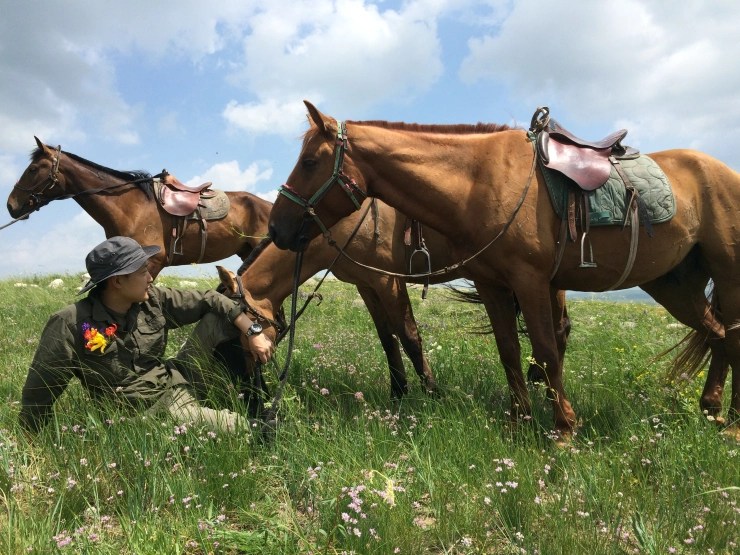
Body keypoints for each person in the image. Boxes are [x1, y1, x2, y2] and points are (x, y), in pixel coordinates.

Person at [18, 236, 274, 435]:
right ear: (118, 281)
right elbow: (40, 388)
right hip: (143, 410)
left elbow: (209, 298)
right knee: (229, 427)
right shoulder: (71, 322)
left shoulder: (154, 299)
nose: (151, 278)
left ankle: (248, 392)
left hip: (177, 379)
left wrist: (253, 331)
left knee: (219, 318)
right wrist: (30, 439)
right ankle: (258, 426)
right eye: (142, 272)